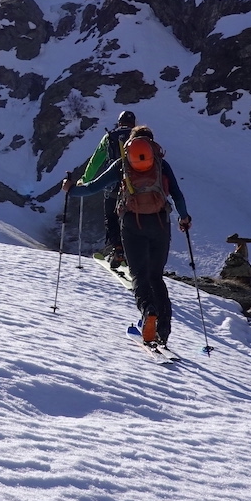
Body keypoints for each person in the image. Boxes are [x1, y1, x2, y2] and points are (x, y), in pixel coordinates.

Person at [64, 124, 192, 346]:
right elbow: (177, 196)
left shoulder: (122, 164)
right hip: (160, 223)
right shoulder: (161, 164)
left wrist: (71, 189)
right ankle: (163, 329)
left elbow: (93, 187)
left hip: (132, 223)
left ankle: (148, 312)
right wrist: (184, 218)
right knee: (155, 276)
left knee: (139, 275)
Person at [80, 110, 137, 267]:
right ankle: (133, 253)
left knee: (111, 218)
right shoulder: (140, 138)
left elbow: (96, 161)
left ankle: (118, 251)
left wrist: (85, 180)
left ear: (119, 122)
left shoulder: (110, 137)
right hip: (136, 187)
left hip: (113, 186)